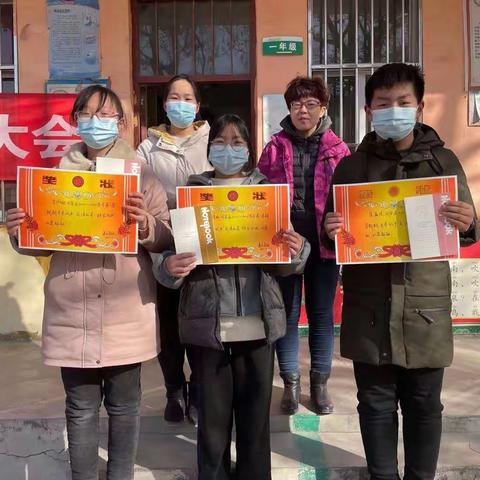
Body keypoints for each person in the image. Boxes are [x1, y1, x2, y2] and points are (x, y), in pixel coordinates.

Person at [6, 85, 172, 480]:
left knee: (124, 408)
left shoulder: (141, 177)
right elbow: (38, 247)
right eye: (88, 114)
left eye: (106, 115)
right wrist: (20, 232)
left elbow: (168, 235)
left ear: (122, 122)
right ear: (76, 120)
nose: (96, 123)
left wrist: (145, 224)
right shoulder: (52, 180)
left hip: (125, 312)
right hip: (71, 312)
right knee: (79, 410)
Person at [324, 63, 478, 480]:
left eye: (403, 103)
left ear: (420, 106)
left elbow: (467, 231)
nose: (394, 110)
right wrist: (330, 229)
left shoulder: (443, 163)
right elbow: (328, 236)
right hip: (368, 310)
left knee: (425, 405)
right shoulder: (350, 168)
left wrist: (468, 221)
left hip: (424, 309)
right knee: (374, 405)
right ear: (369, 110)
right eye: (383, 103)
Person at [152, 114, 310, 480]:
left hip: (258, 325)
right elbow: (168, 261)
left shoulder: (268, 195)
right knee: (212, 426)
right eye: (220, 142)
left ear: (249, 149)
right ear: (209, 151)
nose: (229, 149)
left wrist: (296, 251)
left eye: (237, 142)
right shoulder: (191, 196)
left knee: (255, 427)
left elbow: (286, 266)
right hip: (208, 326)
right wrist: (169, 268)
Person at [258, 76, 350, 415]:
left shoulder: (338, 150)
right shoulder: (274, 147)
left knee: (322, 315)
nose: (303, 110)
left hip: (324, 244)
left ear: (323, 108)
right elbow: (260, 193)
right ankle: (291, 385)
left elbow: (349, 201)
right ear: (289, 108)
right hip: (286, 243)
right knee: (288, 314)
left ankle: (319, 385)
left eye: (311, 103)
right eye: (297, 104)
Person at [137, 74, 211, 424]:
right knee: (168, 326)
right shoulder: (146, 148)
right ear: (165, 103)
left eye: (187, 97)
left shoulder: (213, 141)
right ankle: (174, 391)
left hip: (203, 244)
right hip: (163, 243)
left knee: (198, 323)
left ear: (197, 105)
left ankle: (197, 389)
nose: (180, 103)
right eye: (173, 97)